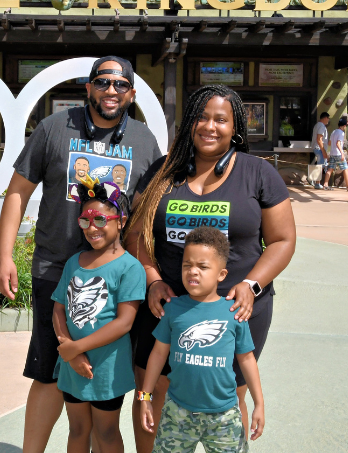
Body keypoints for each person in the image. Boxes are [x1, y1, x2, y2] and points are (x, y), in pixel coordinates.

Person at [0, 56, 162, 453]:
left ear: (132, 94)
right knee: (50, 369)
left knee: (111, 373)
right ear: (87, 88)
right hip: (59, 268)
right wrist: (5, 256)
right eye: (102, 82)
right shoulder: (54, 128)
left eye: (120, 85)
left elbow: (149, 209)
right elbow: (18, 191)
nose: (111, 91)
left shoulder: (143, 140)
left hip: (119, 277)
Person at [124, 84, 295, 453]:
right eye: (201, 117)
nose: (210, 126)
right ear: (189, 123)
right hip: (165, 306)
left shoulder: (258, 173)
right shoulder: (163, 172)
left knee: (228, 399)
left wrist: (252, 284)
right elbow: (135, 233)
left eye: (221, 119)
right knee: (153, 393)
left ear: (236, 128)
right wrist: (152, 279)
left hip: (237, 309)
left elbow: (282, 240)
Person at [139, 227, 264, 453]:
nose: (193, 272)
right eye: (187, 265)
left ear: (221, 274)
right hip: (177, 413)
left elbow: (246, 359)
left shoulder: (234, 312)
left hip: (224, 418)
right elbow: (158, 354)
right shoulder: (174, 309)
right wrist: (145, 396)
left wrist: (259, 404)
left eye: (203, 267)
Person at [53, 179, 145, 453]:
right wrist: (70, 351)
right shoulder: (74, 263)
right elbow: (59, 307)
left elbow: (124, 322)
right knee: (77, 429)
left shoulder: (130, 267)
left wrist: (75, 349)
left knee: (106, 432)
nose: (92, 228)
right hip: (73, 366)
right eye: (85, 221)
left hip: (106, 371)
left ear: (121, 221)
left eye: (101, 220)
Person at [323, 117, 348, 191]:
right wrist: (342, 153)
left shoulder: (334, 132)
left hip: (332, 153)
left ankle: (325, 184)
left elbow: (330, 143)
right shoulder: (341, 133)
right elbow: (338, 143)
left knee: (330, 169)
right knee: (345, 168)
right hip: (338, 153)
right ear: (344, 126)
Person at [309, 112, 330, 189]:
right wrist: (323, 151)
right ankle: (317, 183)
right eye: (328, 118)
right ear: (325, 118)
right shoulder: (322, 126)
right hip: (319, 148)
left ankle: (315, 181)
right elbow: (319, 139)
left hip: (317, 148)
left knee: (320, 165)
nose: (328, 120)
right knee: (320, 165)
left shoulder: (317, 125)